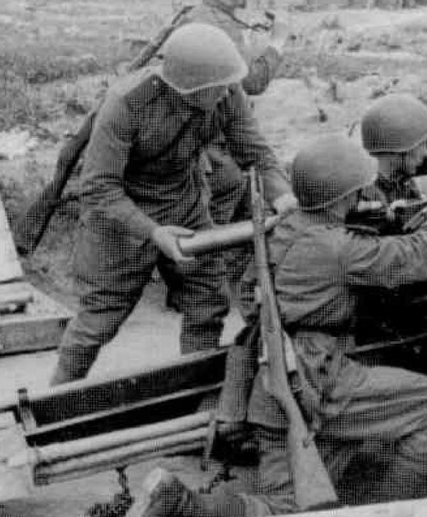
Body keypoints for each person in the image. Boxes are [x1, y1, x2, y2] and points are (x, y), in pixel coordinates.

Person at [120, 134, 427, 517]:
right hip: (319, 384)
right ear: (344, 196)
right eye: (357, 191)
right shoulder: (336, 247)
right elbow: (418, 257)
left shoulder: (280, 229)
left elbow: (250, 298)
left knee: (285, 509)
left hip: (272, 384)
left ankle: (179, 502)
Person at [49, 23, 297, 386]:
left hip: (183, 203)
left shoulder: (227, 91)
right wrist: (153, 233)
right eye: (218, 88)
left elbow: (256, 153)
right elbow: (100, 188)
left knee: (207, 302)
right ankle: (55, 399)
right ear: (188, 89)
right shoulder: (126, 104)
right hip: (120, 217)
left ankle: (194, 392)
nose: (228, 93)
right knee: (98, 319)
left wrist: (283, 195)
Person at [180, 0, 287, 303]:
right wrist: (277, 44)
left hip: (210, 132)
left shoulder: (205, 17)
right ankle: (198, 291)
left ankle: (223, 286)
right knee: (221, 207)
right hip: (209, 140)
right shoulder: (218, 28)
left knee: (240, 211)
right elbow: (252, 81)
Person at [358, 92, 427, 207]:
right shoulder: (366, 199)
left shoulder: (399, 181)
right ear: (399, 149)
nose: (426, 152)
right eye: (421, 144)